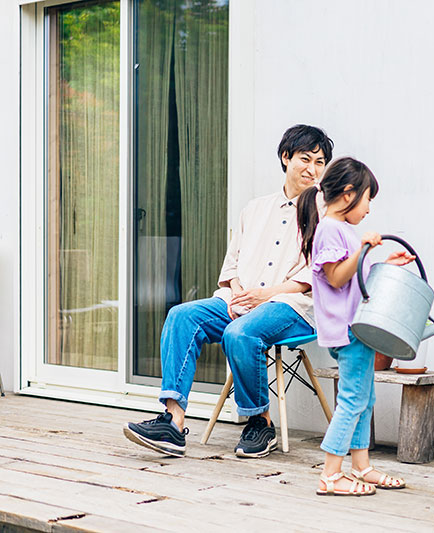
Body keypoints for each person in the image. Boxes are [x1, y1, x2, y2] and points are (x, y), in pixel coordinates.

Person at [124, 125, 334, 458]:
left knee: (240, 333)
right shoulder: (255, 209)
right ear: (286, 158)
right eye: (305, 159)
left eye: (320, 162)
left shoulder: (327, 212)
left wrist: (264, 296)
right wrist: (238, 292)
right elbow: (232, 265)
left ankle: (260, 423)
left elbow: (318, 274)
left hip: (292, 306)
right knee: (182, 316)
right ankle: (173, 421)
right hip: (240, 301)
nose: (312, 169)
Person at [296, 157, 414, 496]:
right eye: (367, 199)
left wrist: (381, 261)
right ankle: (331, 474)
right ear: (348, 194)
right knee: (352, 399)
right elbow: (335, 277)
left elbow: (352, 274)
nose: (368, 209)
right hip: (349, 330)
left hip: (351, 328)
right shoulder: (331, 229)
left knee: (366, 397)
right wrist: (363, 246)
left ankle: (361, 466)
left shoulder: (339, 229)